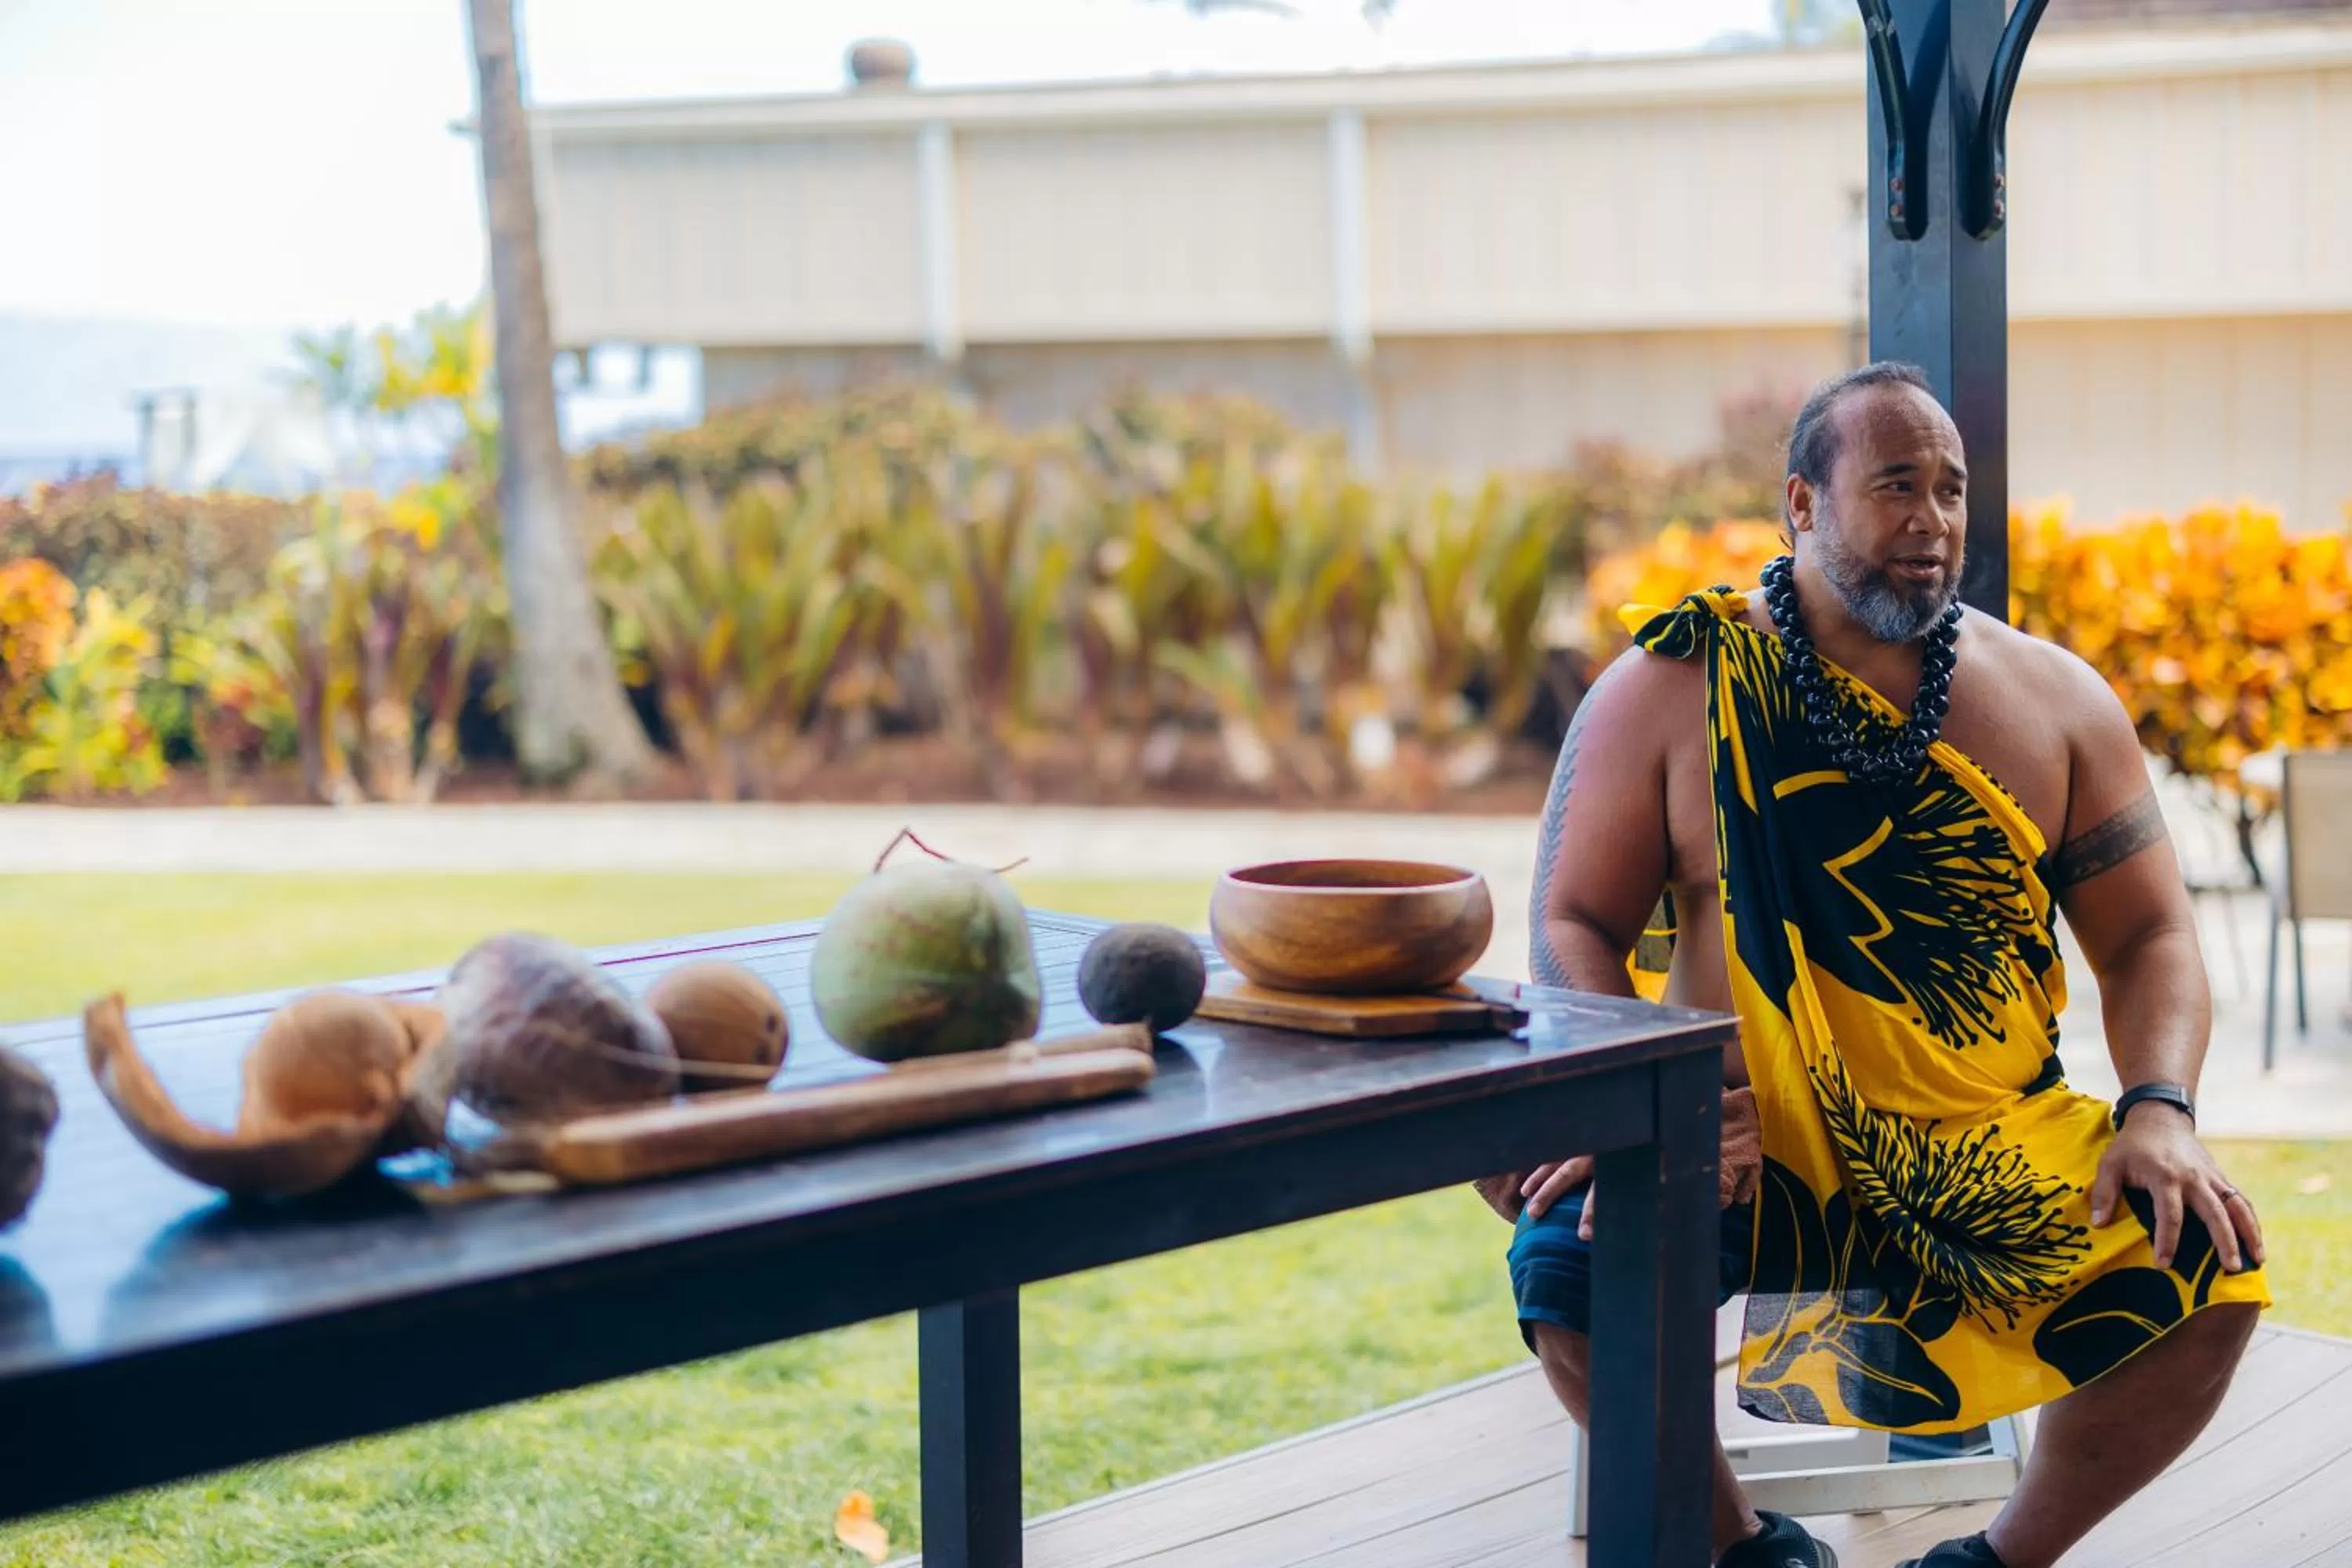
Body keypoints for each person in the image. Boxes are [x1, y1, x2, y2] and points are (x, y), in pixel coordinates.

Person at [1479, 361, 2271, 1568]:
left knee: (2209, 1261)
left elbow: (2152, 936)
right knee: (1570, 1274)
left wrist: (2160, 1108)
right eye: (1896, 483)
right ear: (1801, 504)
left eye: (1951, 488)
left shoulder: (2057, 701)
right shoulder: (1673, 687)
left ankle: (1990, 1562)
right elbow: (1573, 917)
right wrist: (1647, 1104)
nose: (1933, 518)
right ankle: (1753, 1552)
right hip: (1735, 1138)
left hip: (1978, 1140)